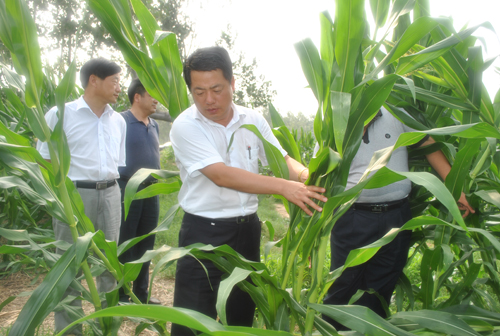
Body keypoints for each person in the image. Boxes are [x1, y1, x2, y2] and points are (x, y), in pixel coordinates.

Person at [169, 46, 327, 335]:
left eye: (216, 89)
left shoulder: (252, 120)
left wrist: (309, 178)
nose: (208, 100)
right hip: (204, 234)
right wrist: (284, 188)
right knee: (191, 320)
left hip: (246, 232)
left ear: (232, 82)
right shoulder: (185, 126)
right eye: (199, 91)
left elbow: (282, 161)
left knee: (241, 315)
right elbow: (221, 175)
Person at [322, 107, 474, 330]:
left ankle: (374, 330)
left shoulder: (396, 112)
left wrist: (455, 188)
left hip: (397, 216)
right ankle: (333, 331)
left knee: (383, 284)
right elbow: (321, 171)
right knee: (344, 283)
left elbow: (428, 145)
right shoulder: (337, 116)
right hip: (352, 216)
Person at [37, 58, 126, 335]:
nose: (119, 88)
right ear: (93, 80)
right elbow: (42, 160)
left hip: (111, 194)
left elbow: (117, 164)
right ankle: (69, 331)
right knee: (68, 269)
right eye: (114, 81)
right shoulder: (60, 114)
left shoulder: (119, 121)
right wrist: (59, 200)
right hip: (74, 198)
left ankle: (108, 327)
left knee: (110, 266)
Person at [117, 78, 161, 304]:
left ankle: (141, 293)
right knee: (126, 240)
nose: (156, 100)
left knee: (147, 242)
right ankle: (122, 293)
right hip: (127, 189)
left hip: (152, 190)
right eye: (152, 94)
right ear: (137, 96)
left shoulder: (154, 125)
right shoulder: (120, 122)